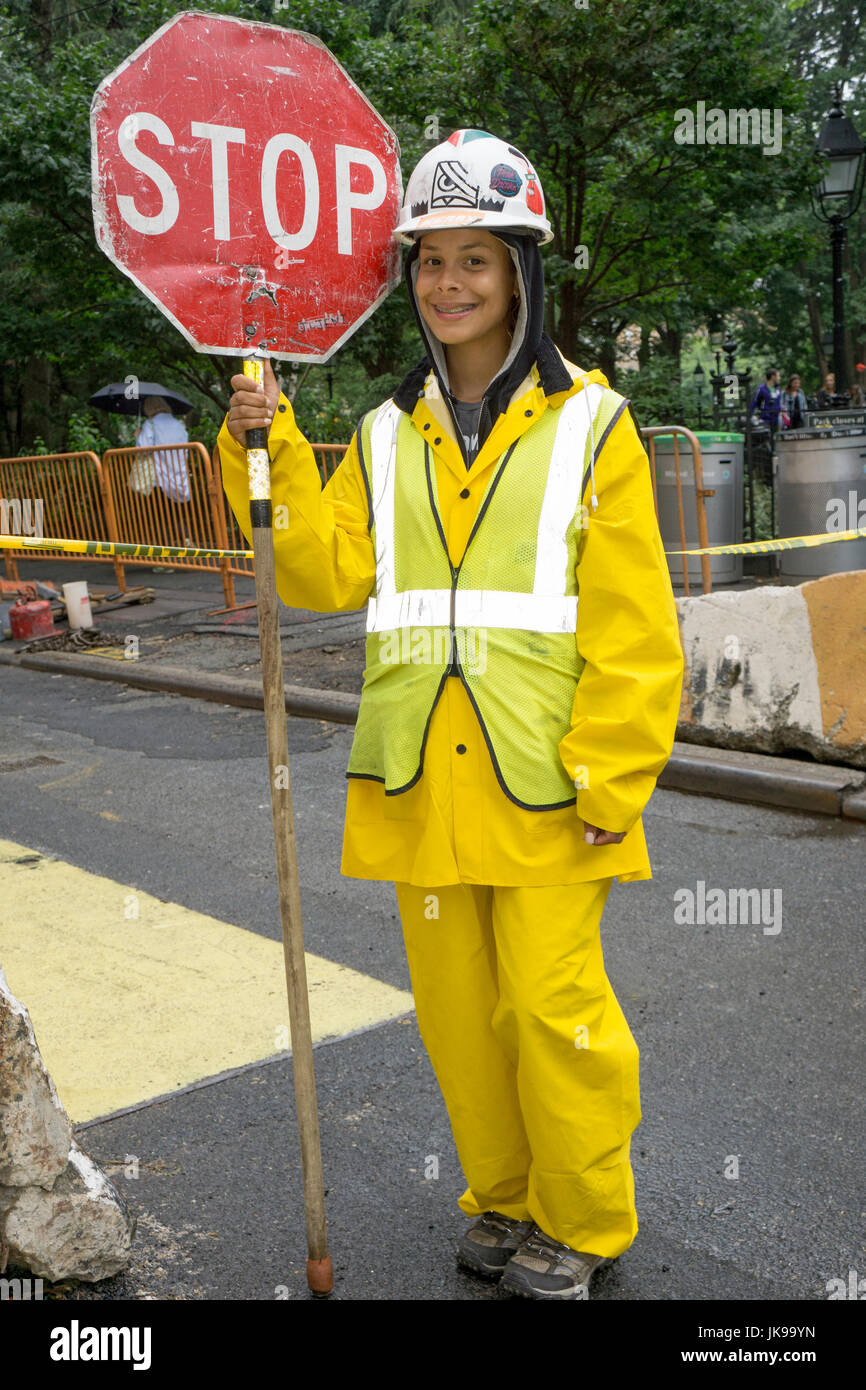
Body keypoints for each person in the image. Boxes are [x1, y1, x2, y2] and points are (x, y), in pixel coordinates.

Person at [218, 130, 684, 1300]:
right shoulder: (381, 432)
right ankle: (506, 1198)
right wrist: (260, 441)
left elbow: (634, 631)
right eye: (427, 261)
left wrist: (610, 779)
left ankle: (583, 1222)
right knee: (462, 1019)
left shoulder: (593, 426)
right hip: (420, 783)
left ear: (519, 272)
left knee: (552, 1008)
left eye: (475, 259)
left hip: (550, 788)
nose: (448, 285)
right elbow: (318, 575)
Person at [133, 395, 192, 504]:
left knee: (160, 513)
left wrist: (138, 436)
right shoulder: (178, 424)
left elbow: (143, 449)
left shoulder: (150, 424)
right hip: (180, 474)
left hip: (160, 477)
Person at [749, 368, 782, 432]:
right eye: (778, 376)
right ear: (773, 377)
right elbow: (754, 403)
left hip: (776, 421)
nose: (779, 378)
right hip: (765, 421)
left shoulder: (778, 389)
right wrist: (750, 416)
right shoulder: (760, 389)